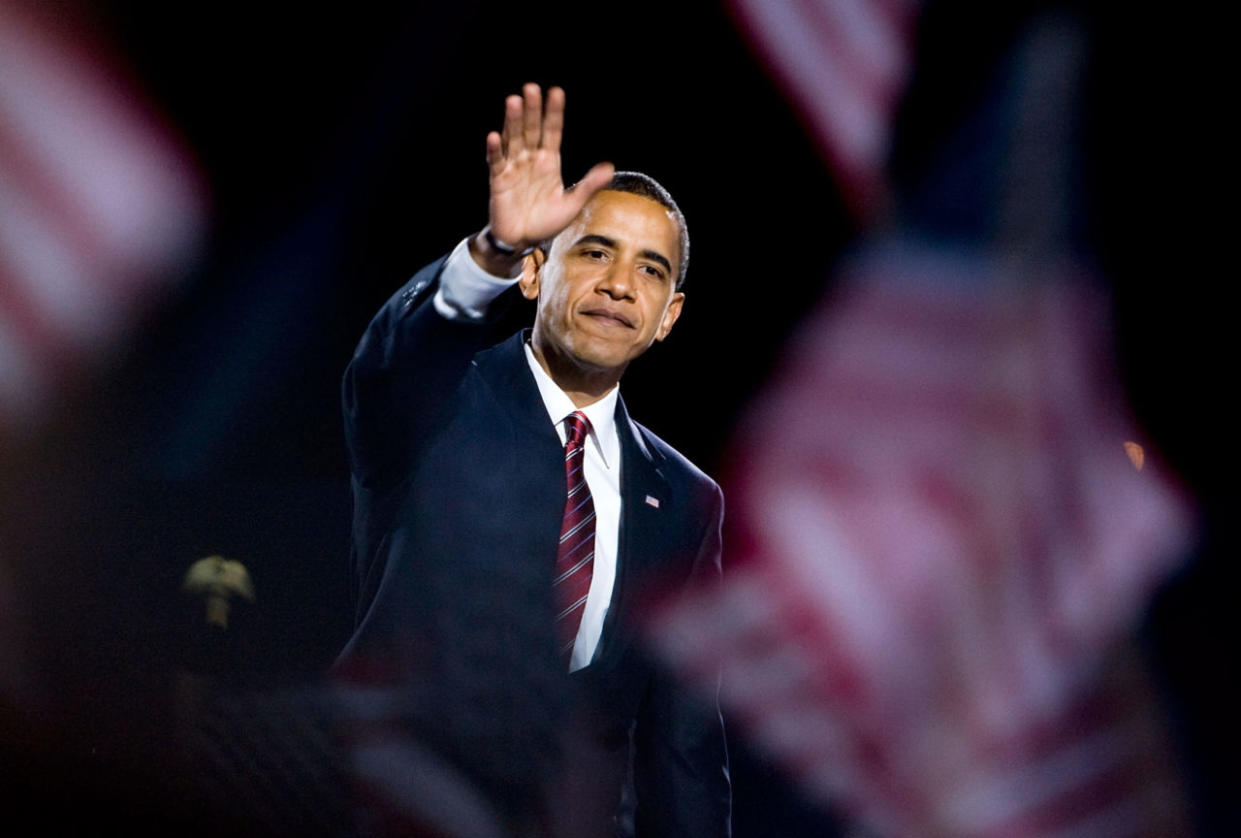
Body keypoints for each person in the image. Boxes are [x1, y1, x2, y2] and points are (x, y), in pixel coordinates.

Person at [334, 83, 730, 838]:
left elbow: (683, 745)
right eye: (593, 252)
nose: (619, 284)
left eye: (650, 270)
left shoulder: (685, 499)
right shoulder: (438, 403)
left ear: (668, 316)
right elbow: (391, 366)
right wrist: (489, 251)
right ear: (533, 273)